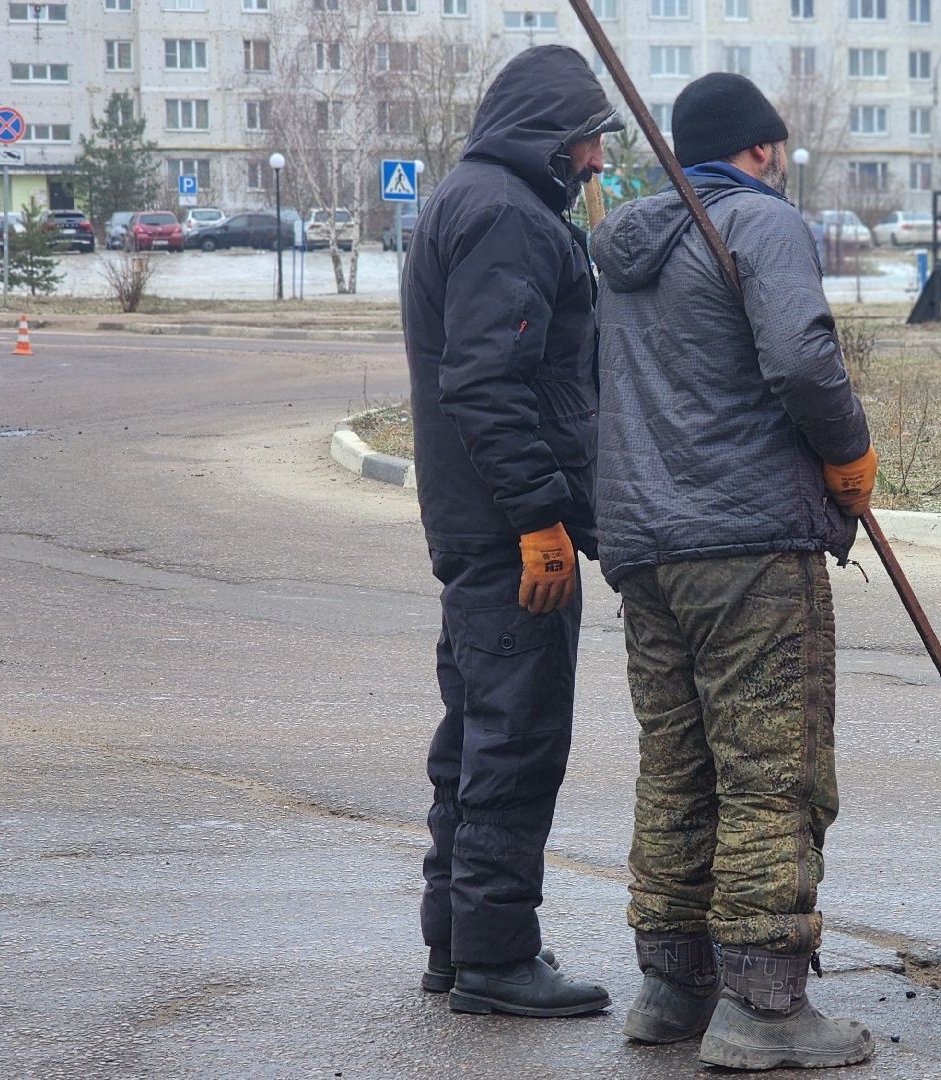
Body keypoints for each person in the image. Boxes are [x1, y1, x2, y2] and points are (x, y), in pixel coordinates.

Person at [590, 72, 879, 1071]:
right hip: (749, 539)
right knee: (770, 771)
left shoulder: (627, 246)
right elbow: (802, 361)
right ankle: (763, 1008)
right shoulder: (759, 224)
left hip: (644, 546)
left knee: (678, 768)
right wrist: (847, 451)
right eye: (780, 150)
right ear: (758, 149)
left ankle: (672, 991)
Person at [400, 44, 622, 1018]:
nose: (598, 164)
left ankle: (458, 944)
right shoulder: (505, 215)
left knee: (476, 736)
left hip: (477, 518)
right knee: (515, 740)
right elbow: (489, 383)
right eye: (589, 141)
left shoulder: (474, 199)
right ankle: (495, 959)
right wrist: (539, 517)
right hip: (506, 529)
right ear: (550, 134)